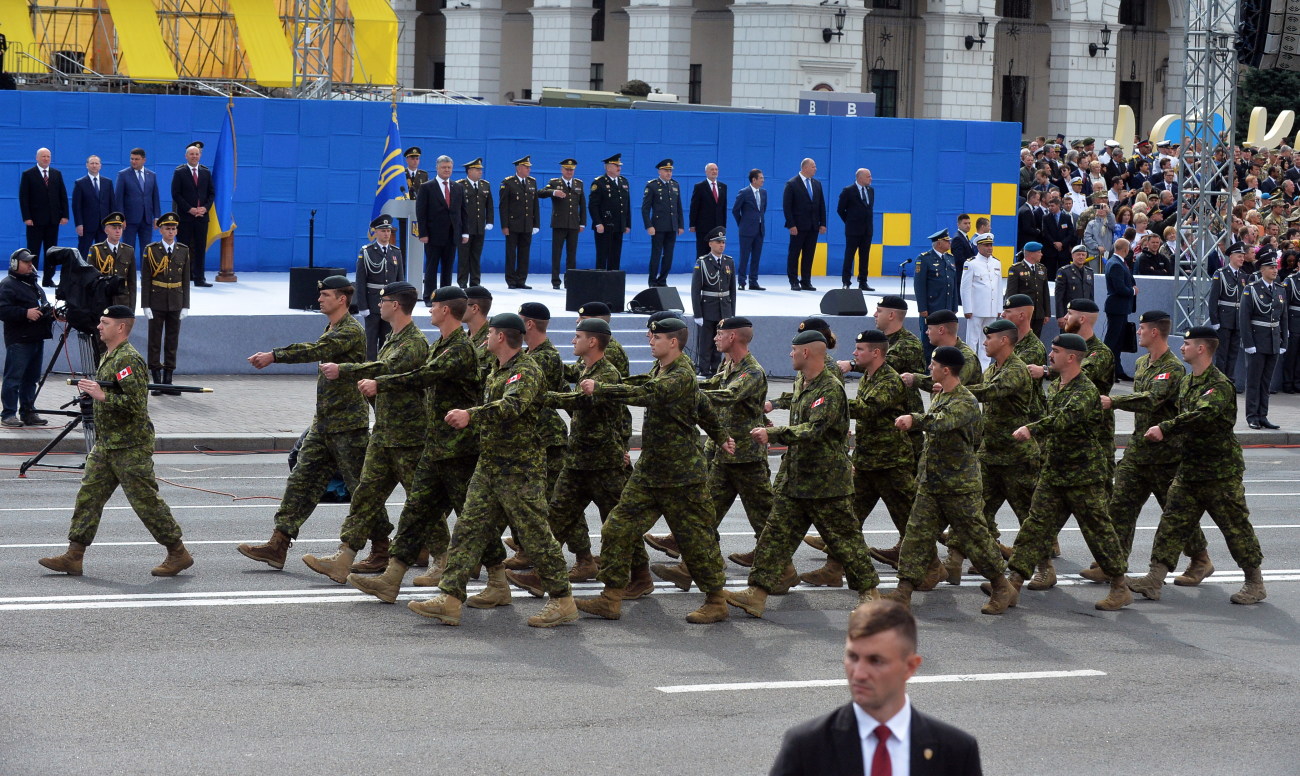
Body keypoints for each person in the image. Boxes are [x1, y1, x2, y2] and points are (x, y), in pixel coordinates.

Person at [406, 312, 579, 628]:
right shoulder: (497, 370)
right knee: (468, 528)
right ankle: (450, 598)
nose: (485, 338)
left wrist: (471, 415)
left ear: (501, 336)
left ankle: (563, 599)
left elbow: (512, 406)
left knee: (535, 535)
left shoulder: (525, 371)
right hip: (490, 467)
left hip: (520, 471)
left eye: (490, 334)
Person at [575, 316, 735, 624]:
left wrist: (603, 389)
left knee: (696, 539)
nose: (650, 342)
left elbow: (648, 394)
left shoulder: (680, 376)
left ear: (672, 342)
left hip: (682, 476)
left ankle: (716, 600)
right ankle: (611, 598)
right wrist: (720, 435)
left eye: (656, 338)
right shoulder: (661, 370)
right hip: (650, 472)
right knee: (617, 527)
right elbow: (700, 405)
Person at [728, 329, 881, 618]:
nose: (790, 354)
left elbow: (814, 429)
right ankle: (757, 593)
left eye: (793, 349)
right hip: (796, 479)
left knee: (845, 541)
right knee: (774, 537)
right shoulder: (804, 381)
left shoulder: (830, 389)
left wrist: (773, 433)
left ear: (806, 352)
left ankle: (870, 594)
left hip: (826, 483)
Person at [347, 285, 482, 602]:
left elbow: (422, 376)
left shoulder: (458, 349)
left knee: (473, 517)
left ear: (445, 310)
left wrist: (380, 383)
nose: (430, 310)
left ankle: (497, 580)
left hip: (458, 450)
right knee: (414, 513)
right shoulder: (442, 345)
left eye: (433, 306)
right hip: (436, 447)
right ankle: (391, 579)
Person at [38, 305, 193, 577]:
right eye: (100, 321)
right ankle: (74, 555)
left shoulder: (128, 359)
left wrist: (101, 396)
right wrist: (93, 394)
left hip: (130, 445)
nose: (99, 326)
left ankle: (178, 552)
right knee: (89, 496)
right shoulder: (109, 355)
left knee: (145, 501)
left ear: (120, 327)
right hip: (107, 443)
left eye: (105, 322)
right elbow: (110, 394)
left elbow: (135, 404)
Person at [1126, 326, 1267, 606]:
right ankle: (1154, 580)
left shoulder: (1219, 385)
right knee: (1171, 524)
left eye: (1187, 343)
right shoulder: (1188, 382)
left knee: (1235, 527)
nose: (1182, 347)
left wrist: (1165, 428)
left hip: (1219, 473)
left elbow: (1201, 416)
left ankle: (1255, 582)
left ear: (1201, 349)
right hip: (1190, 469)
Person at [238, 276, 371, 570]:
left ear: (342, 300)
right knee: (301, 482)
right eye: (320, 293)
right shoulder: (333, 327)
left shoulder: (350, 331)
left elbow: (313, 350)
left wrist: (274, 356)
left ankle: (384, 549)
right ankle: (278, 544)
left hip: (348, 427)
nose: (320, 298)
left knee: (361, 490)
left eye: (326, 295)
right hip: (324, 426)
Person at [301, 281, 429, 582]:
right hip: (385, 434)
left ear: (395, 304)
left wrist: (345, 371)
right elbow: (382, 369)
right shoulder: (393, 338)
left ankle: (446, 558)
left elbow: (385, 371)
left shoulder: (414, 342)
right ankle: (344, 558)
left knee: (423, 502)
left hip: (408, 437)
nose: (378, 304)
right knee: (365, 496)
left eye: (383, 300)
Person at [769, 600, 983, 776]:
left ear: (910, 667)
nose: (859, 674)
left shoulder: (955, 751)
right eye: (852, 657)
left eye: (876, 661)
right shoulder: (807, 747)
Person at [995, 333, 1131, 611]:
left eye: (1055, 351)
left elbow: (1063, 418)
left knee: (1098, 530)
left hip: (1083, 475)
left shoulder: (1085, 390)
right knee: (1034, 527)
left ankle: (1120, 586)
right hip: (1055, 472)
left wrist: (1032, 428)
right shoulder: (1056, 386)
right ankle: (1013, 584)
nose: (1050, 355)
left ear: (1071, 357)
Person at [887, 345, 1015, 615]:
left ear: (946, 370)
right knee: (916, 536)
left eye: (933, 366)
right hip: (932, 484)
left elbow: (943, 422)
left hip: (959, 487)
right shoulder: (942, 395)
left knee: (976, 539)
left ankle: (1002, 586)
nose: (929, 370)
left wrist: (915, 419)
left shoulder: (965, 401)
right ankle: (903, 592)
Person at [506, 316, 631, 591]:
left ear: (593, 341)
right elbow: (567, 379)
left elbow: (579, 401)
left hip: (602, 463)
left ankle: (639, 576)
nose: (573, 340)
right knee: (557, 516)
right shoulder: (588, 369)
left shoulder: (606, 374)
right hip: (578, 461)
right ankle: (544, 575)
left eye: (578, 336)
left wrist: (541, 396)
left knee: (617, 524)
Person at [1097, 310, 1212, 587]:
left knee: (1175, 513)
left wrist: (1115, 402)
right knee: (1120, 506)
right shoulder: (1140, 364)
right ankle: (1112, 565)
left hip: (1165, 456)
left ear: (1154, 332)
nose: (1138, 332)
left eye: (1141, 328)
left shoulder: (1173, 368)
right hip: (1138, 452)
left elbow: (1152, 399)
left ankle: (1200, 559)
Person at [803, 329, 913, 588]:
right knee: (848, 521)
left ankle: (932, 567)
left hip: (890, 464)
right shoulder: (868, 377)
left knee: (908, 519)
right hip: (868, 462)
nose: (854, 354)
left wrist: (830, 397)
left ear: (876, 353)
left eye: (860, 349)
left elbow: (867, 409)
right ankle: (833, 569)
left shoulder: (889, 380)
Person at [962, 319, 1040, 578]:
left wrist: (956, 389)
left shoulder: (1015, 370)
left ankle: (1044, 568)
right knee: (979, 510)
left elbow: (990, 392)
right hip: (991, 453)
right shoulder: (992, 368)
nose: (984, 342)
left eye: (989, 338)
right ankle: (991, 555)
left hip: (1016, 456)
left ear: (1004, 340)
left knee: (1028, 516)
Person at [0, 249, 54, 427]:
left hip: (36, 337)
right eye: (26, 262)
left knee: (31, 379)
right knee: (14, 378)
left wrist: (52, 314)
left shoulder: (33, 285)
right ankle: (8, 414)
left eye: (31, 261)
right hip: (19, 339)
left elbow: (40, 308)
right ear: (15, 264)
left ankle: (28, 413)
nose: (31, 265)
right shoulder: (8, 284)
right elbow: (2, 310)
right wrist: (25, 313)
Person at [139, 212, 190, 396]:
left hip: (176, 300)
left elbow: (185, 279)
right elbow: (146, 279)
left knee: (172, 341)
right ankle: (156, 379)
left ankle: (169, 379)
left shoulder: (183, 250)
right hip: (156, 300)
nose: (171, 231)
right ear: (160, 230)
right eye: (167, 228)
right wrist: (145, 304)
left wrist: (186, 305)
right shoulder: (151, 250)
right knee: (154, 341)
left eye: (173, 228)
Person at [1240, 252, 1288, 429]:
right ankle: (1252, 416)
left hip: (1273, 340)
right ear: (1261, 270)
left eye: (1276, 267)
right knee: (1254, 381)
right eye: (1271, 267)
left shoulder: (1280, 289)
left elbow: (1283, 319)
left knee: (1266, 382)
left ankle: (1263, 415)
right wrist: (1248, 343)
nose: (1275, 270)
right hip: (1257, 339)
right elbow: (1244, 318)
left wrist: (1284, 342)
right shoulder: (1251, 289)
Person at [355, 214, 406, 360]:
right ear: (375, 232)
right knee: (371, 340)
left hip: (390, 303)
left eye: (388, 231)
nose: (386, 234)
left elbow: (400, 281)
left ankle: (383, 368)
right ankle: (370, 368)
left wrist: (400, 303)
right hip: (372, 303)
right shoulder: (367, 251)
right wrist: (363, 306)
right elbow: (360, 281)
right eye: (383, 231)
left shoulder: (396, 252)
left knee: (387, 340)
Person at [416, 154, 467, 298]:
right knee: (431, 268)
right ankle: (429, 297)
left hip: (452, 235)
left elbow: (463, 212)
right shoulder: (426, 187)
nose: (447, 170)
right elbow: (421, 212)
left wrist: (465, 233)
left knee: (448, 268)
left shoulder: (458, 187)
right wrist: (423, 233)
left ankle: (445, 297)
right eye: (444, 167)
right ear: (437, 168)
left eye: (449, 167)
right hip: (433, 235)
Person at [17, 147, 69, 287]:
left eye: (48, 156)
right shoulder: (28, 174)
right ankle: (31, 279)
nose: (46, 159)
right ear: (37, 158)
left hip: (53, 220)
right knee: (33, 251)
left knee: (51, 252)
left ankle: (48, 279)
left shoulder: (56, 174)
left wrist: (65, 215)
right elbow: (24, 198)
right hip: (34, 221)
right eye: (43, 156)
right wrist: (26, 217)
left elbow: (63, 196)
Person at [690, 226, 737, 376]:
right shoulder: (702, 262)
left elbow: (732, 290)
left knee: (721, 342)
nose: (721, 245)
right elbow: (695, 290)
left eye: (723, 242)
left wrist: (732, 313)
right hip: (708, 308)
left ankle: (716, 369)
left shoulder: (729, 262)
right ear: (710, 244)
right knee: (706, 342)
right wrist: (697, 313)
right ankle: (703, 369)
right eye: (718, 242)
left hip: (724, 308)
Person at [170, 141, 215, 287]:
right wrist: (189, 209)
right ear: (186, 156)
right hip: (185, 217)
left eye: (197, 154)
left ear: (200, 155)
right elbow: (176, 194)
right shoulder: (179, 172)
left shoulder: (206, 172)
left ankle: (199, 278)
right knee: (183, 248)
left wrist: (205, 208)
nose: (194, 156)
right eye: (191, 154)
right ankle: (184, 278)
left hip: (202, 217)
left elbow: (211, 194)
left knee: (200, 247)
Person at [537, 158, 586, 289]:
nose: (569, 172)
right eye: (567, 169)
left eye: (572, 170)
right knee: (556, 253)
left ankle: (570, 281)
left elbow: (582, 204)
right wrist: (553, 192)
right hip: (559, 223)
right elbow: (540, 193)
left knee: (571, 254)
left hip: (574, 224)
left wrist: (583, 223)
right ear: (562, 170)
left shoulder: (578, 184)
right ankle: (555, 281)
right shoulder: (554, 182)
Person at [1208, 242, 1248, 391]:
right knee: (1222, 352)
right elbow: (1213, 299)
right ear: (1231, 257)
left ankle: (1230, 381)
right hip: (1224, 318)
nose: (1242, 259)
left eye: (1243, 256)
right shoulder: (1221, 273)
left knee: (1233, 352)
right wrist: (1215, 320)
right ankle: (1220, 381)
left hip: (1237, 320)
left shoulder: (1243, 276)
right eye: (1239, 256)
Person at [914, 228, 958, 362]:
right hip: (932, 309)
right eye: (946, 240)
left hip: (946, 309)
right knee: (928, 342)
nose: (949, 242)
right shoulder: (924, 259)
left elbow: (953, 284)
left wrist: (954, 307)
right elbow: (919, 285)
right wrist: (922, 308)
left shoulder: (950, 259)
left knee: (946, 342)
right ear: (939, 243)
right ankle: (928, 372)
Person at [783, 157, 827, 291]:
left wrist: (823, 223)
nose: (815, 169)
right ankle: (793, 280)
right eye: (813, 166)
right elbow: (787, 206)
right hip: (798, 226)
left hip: (813, 226)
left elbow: (821, 205)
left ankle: (806, 280)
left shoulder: (817, 184)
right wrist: (791, 224)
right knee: (794, 254)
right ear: (805, 167)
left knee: (809, 254)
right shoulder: (792, 183)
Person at [959, 234, 1002, 366]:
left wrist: (999, 308)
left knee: (988, 340)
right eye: (986, 245)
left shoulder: (996, 263)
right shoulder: (971, 263)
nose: (989, 248)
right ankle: (970, 368)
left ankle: (984, 370)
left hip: (992, 309)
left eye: (991, 245)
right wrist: (967, 309)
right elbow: (965, 288)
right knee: (972, 340)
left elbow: (999, 287)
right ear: (978, 246)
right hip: (976, 309)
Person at [499, 156, 540, 289]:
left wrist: (536, 224)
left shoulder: (532, 182)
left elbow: (535, 205)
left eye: (529, 167)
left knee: (524, 253)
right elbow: (503, 206)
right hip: (512, 225)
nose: (529, 169)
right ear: (519, 168)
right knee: (511, 254)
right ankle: (511, 280)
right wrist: (504, 225)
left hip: (527, 224)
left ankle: (521, 280)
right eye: (526, 167)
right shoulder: (508, 183)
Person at [114, 148, 161, 264]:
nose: (133, 161)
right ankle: (127, 276)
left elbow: (155, 197)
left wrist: (157, 217)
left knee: (147, 249)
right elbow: (118, 199)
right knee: (128, 249)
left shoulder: (152, 175)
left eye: (137, 159)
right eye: (132, 159)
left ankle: (146, 276)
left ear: (144, 160)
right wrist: (120, 218)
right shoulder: (123, 175)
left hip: (147, 219)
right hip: (129, 220)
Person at [643, 158, 685, 287]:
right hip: (658, 226)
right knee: (656, 255)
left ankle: (663, 279)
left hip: (672, 226)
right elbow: (645, 208)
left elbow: (678, 207)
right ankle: (652, 280)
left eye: (670, 171)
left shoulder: (675, 185)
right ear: (659, 171)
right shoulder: (652, 185)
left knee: (668, 256)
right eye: (666, 170)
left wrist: (680, 225)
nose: (669, 173)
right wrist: (649, 225)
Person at [588, 153, 631, 271]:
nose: (619, 168)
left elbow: (626, 204)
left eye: (619, 165)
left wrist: (627, 224)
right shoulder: (599, 183)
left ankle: (613, 284)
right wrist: (598, 223)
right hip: (604, 225)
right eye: (616, 165)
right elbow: (593, 205)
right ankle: (600, 284)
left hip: (618, 225)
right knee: (602, 255)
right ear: (608, 168)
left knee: (615, 256)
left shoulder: (624, 182)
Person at [1103, 237, 1137, 380]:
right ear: (1125, 249)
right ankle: (1105, 371)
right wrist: (1133, 291)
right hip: (1117, 307)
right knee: (1112, 341)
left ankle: (1118, 370)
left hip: (1121, 308)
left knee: (1118, 341)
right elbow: (1120, 288)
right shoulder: (1116, 264)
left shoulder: (1118, 262)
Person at [837, 168, 876, 291]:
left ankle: (863, 281)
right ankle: (846, 281)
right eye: (868, 176)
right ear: (860, 177)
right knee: (849, 256)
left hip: (867, 230)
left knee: (864, 256)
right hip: (853, 230)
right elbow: (840, 210)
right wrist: (849, 222)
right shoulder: (848, 191)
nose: (871, 179)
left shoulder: (871, 190)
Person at [88, 212, 136, 311]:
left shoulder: (128, 250)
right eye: (114, 228)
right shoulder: (96, 250)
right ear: (106, 230)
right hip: (102, 301)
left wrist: (131, 309)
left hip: (122, 302)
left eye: (120, 228)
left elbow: (132, 282)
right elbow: (90, 280)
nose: (118, 231)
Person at [1003, 241, 1050, 337]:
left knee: (1036, 339)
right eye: (1039, 252)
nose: (1041, 254)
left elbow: (1045, 292)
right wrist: (1011, 313)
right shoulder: (1016, 269)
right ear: (1031, 254)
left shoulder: (1042, 268)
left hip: (1038, 313)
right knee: (1021, 338)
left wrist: (1047, 313)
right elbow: (1011, 293)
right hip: (1022, 314)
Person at [71, 154, 114, 259]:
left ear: (100, 166)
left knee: (104, 252)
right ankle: (81, 273)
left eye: (96, 163)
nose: (94, 165)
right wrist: (79, 224)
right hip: (86, 225)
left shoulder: (108, 183)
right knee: (83, 250)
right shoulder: (80, 183)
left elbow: (112, 204)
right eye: (92, 163)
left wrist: (111, 223)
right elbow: (76, 206)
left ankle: (103, 274)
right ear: (87, 165)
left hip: (104, 225)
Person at [731, 168, 767, 290]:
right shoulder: (744, 192)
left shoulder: (763, 193)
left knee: (756, 257)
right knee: (744, 256)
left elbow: (762, 210)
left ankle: (753, 282)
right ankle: (741, 281)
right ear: (754, 179)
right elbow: (735, 210)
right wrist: (742, 223)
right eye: (761, 178)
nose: (763, 180)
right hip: (746, 230)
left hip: (759, 230)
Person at [689, 162, 728, 261]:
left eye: (716, 169)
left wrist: (723, 226)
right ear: (706, 172)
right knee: (702, 251)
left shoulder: (723, 187)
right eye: (712, 169)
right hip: (703, 226)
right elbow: (694, 207)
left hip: (718, 226)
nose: (714, 171)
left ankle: (715, 275)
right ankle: (701, 274)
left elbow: (723, 207)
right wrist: (692, 224)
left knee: (717, 252)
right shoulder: (699, 187)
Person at [1054, 244, 1095, 322]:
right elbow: (1059, 296)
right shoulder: (1064, 271)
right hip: (1069, 314)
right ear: (1072, 255)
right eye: (1078, 254)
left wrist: (1091, 313)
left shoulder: (1089, 272)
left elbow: (1091, 295)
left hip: (1084, 314)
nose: (1081, 257)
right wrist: (1060, 316)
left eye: (1083, 255)